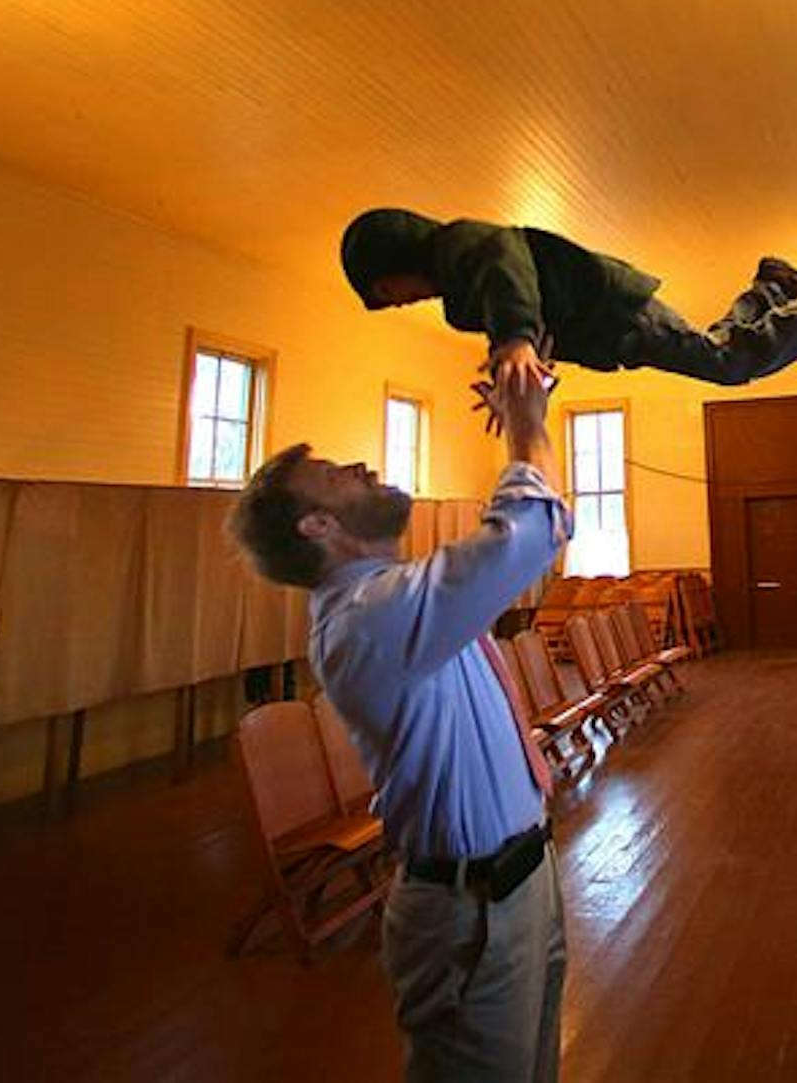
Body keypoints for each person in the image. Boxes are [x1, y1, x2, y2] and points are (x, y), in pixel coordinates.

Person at [228, 371, 571, 1083]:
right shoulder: (367, 618)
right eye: (331, 474)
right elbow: (532, 531)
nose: (357, 465)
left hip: (522, 883)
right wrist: (526, 420)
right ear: (317, 526)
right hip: (470, 915)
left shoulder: (398, 601)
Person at [339, 208, 797, 391]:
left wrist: (512, 338)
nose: (398, 303)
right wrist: (531, 367)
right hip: (612, 325)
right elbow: (530, 303)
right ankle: (773, 286)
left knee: (729, 366)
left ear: (395, 264)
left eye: (387, 294)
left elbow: (504, 259)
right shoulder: (460, 299)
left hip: (617, 314)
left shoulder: (463, 244)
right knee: (717, 346)